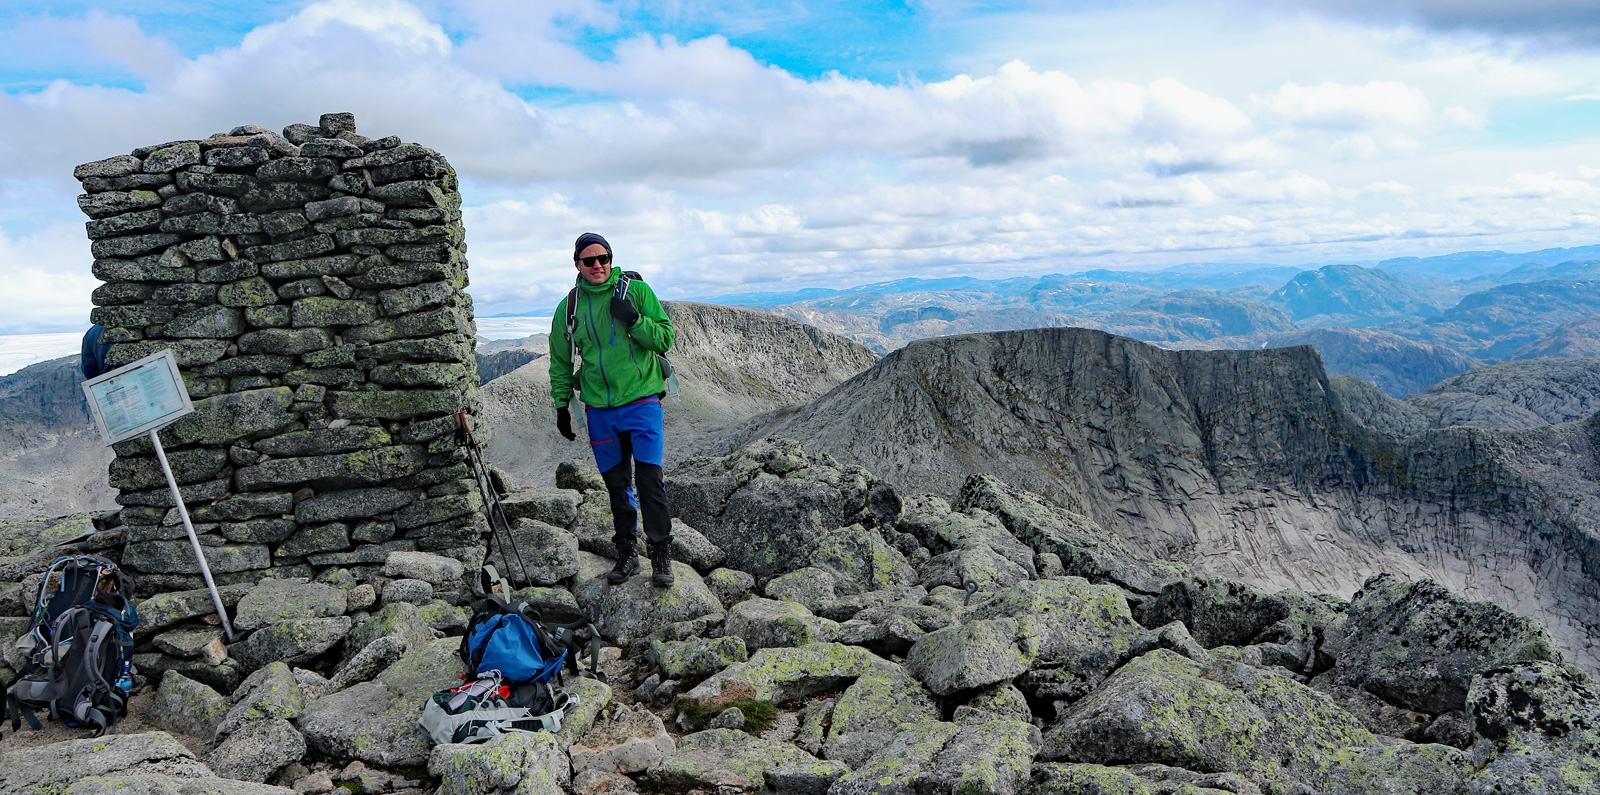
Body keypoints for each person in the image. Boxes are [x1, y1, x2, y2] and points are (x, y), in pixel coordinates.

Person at [549, 233, 678, 586]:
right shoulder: (569, 307)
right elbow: (560, 361)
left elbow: (664, 338)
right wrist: (562, 404)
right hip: (600, 411)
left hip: (642, 401)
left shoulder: (635, 292)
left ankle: (661, 555)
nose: (597, 265)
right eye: (588, 260)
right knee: (616, 486)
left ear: (611, 258)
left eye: (603, 258)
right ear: (577, 264)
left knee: (650, 481)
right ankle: (626, 555)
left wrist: (634, 320)